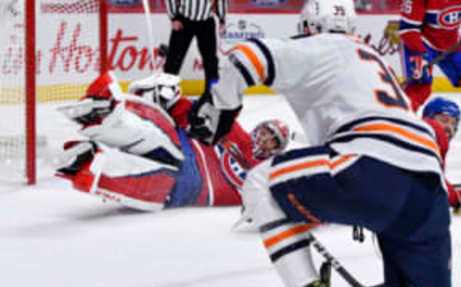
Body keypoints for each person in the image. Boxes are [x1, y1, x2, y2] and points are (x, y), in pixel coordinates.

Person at [186, 0, 451, 287]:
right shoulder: (373, 59)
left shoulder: (323, 45)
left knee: (261, 183)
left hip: (368, 165)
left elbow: (243, 59)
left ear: (309, 26)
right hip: (431, 194)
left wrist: (219, 110)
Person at [54, 71, 289, 211]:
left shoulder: (265, 174)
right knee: (154, 138)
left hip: (189, 190)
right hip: (186, 150)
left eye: (273, 142)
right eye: (267, 132)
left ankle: (88, 161)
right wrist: (172, 100)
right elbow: (200, 114)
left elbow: (283, 195)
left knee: (145, 179)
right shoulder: (237, 133)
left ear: (275, 151)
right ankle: (103, 113)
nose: (266, 140)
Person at [398, 0, 461, 159]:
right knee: (420, 87)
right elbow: (408, 28)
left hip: (451, 41)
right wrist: (418, 53)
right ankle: (398, 131)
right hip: (421, 42)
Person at [422, 96, 461, 215]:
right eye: (444, 120)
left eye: (453, 123)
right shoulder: (433, 135)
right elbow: (431, 183)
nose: (449, 127)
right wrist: (459, 199)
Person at [163, 0, 226, 93]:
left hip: (206, 21)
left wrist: (222, 19)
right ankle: (165, 93)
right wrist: (174, 17)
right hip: (183, 20)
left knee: (211, 62)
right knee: (173, 60)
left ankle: (213, 95)